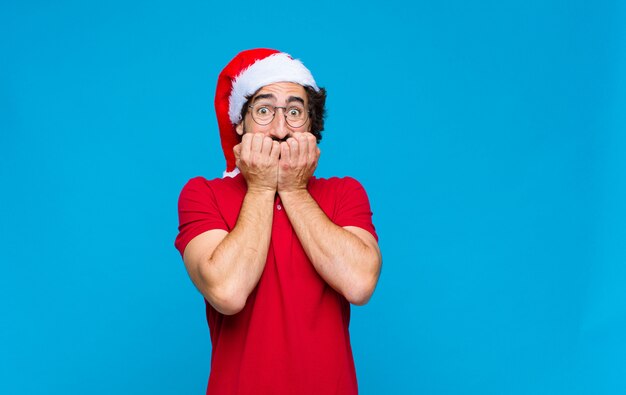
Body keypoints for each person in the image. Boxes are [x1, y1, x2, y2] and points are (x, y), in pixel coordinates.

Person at [175, 48, 382, 394]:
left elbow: (360, 284)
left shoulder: (345, 193)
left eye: (295, 112)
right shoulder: (203, 194)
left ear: (313, 127)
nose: (279, 128)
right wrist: (260, 187)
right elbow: (227, 291)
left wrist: (294, 189)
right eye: (264, 110)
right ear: (240, 123)